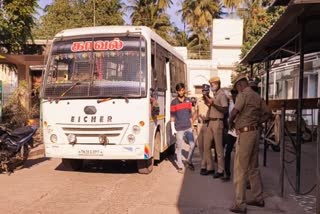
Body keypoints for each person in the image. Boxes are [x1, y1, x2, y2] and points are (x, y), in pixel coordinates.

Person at [228, 74, 271, 214]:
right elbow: (268, 114)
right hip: (255, 133)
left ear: (240, 85)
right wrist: (258, 122)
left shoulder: (243, 95)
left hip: (245, 134)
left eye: (237, 87)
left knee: (240, 169)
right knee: (253, 167)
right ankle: (258, 198)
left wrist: (230, 122)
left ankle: (240, 204)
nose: (238, 89)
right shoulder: (257, 97)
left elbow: (234, 112)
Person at [203, 76, 228, 179]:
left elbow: (224, 109)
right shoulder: (215, 95)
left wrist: (213, 104)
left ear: (217, 84)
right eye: (211, 84)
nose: (211, 86)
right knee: (206, 145)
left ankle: (221, 170)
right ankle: (210, 167)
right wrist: (207, 97)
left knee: (218, 148)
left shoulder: (222, 95)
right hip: (211, 122)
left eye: (212, 84)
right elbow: (212, 105)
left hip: (218, 122)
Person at [170, 83, 196, 173]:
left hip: (188, 127)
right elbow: (172, 116)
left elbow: (190, 114)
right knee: (179, 147)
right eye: (179, 90)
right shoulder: (174, 102)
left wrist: (192, 125)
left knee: (192, 145)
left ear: (184, 90)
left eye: (182, 90)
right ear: (177, 91)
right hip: (179, 128)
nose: (181, 92)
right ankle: (180, 166)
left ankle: (188, 161)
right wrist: (173, 128)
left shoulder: (188, 100)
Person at [193, 84, 215, 176]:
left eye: (206, 90)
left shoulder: (211, 100)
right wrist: (191, 123)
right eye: (203, 90)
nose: (204, 92)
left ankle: (208, 167)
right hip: (199, 124)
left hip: (207, 124)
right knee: (201, 146)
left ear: (209, 91)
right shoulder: (199, 100)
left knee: (207, 147)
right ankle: (204, 163)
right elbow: (196, 112)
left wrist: (206, 97)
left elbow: (211, 106)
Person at [221, 89, 238, 182]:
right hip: (231, 132)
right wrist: (228, 126)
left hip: (240, 132)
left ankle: (245, 178)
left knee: (240, 156)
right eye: (233, 95)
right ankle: (227, 174)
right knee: (227, 152)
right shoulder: (230, 103)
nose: (234, 97)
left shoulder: (241, 102)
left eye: (236, 95)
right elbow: (227, 116)